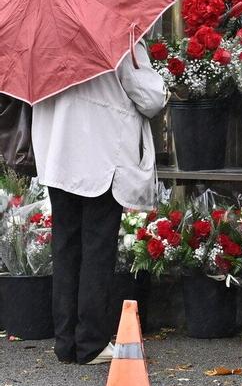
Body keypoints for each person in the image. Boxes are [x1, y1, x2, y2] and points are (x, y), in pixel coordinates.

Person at [30, 40, 167, 364]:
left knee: (66, 247)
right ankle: (91, 342)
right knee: (97, 248)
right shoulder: (114, 31)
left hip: (57, 154)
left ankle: (66, 343)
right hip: (100, 155)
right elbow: (150, 98)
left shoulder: (43, 36)